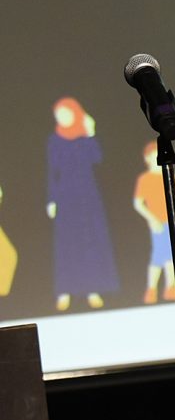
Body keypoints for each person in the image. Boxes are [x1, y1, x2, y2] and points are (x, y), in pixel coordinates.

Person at [46, 98, 119, 311]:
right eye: (58, 114)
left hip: (87, 196)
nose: (62, 118)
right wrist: (51, 199)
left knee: (89, 241)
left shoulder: (84, 138)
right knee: (67, 244)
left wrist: (91, 131)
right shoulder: (54, 140)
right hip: (64, 196)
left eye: (65, 113)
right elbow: (52, 171)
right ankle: (64, 291)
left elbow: (96, 158)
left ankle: (92, 289)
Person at [132, 140, 175, 302]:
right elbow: (138, 204)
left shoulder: (170, 176)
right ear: (147, 159)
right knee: (158, 255)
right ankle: (151, 289)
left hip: (171, 222)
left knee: (172, 256)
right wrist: (152, 219)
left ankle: (170, 287)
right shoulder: (144, 179)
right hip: (157, 225)